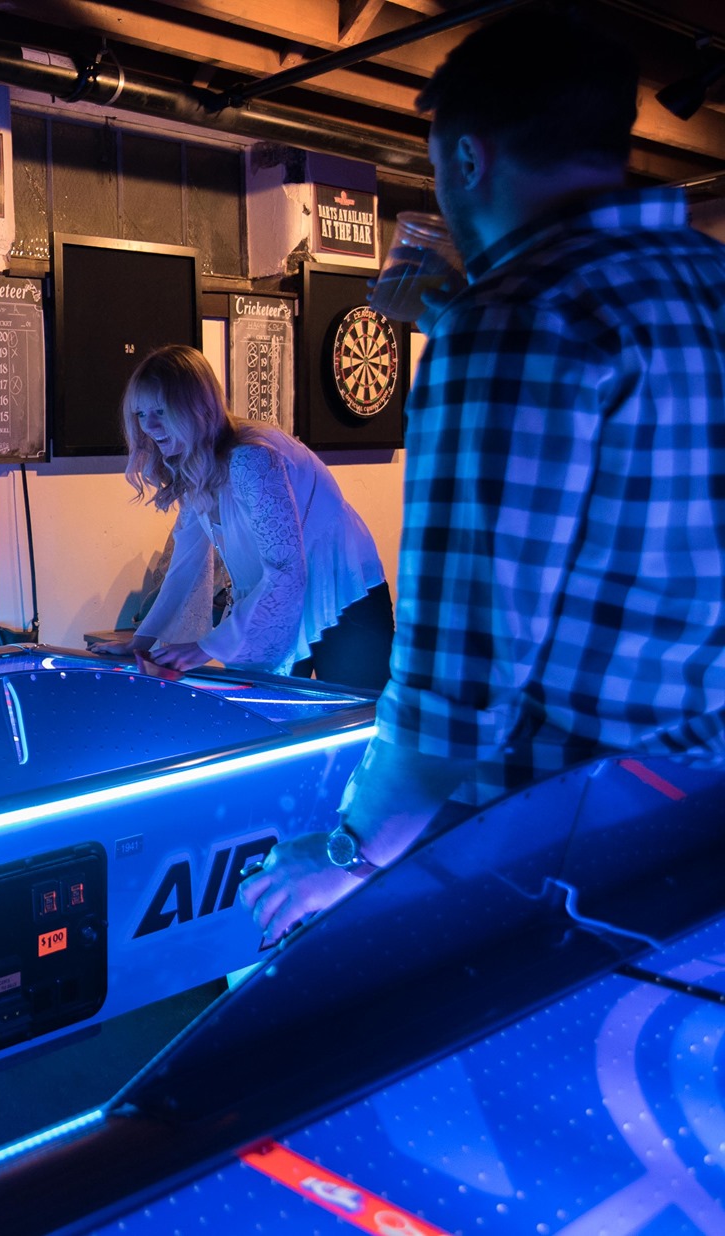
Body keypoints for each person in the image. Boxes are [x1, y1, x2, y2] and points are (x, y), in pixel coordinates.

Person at [239, 7, 725, 943]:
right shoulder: (704, 278)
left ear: (468, 158)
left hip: (563, 844)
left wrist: (351, 854)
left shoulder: (515, 320)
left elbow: (459, 674)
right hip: (695, 815)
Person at [94, 344, 392, 688]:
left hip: (340, 591)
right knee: (262, 710)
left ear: (196, 406)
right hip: (275, 592)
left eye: (161, 411)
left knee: (357, 710)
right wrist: (141, 641)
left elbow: (285, 568)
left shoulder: (251, 458)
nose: (150, 426)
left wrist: (206, 647)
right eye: (141, 414)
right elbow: (185, 564)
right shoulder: (194, 462)